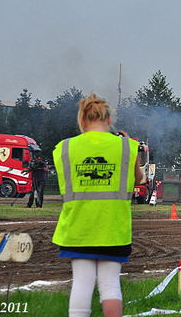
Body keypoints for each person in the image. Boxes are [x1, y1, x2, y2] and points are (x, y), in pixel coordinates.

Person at [52, 93, 143, 317]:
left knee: (81, 283)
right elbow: (138, 179)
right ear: (109, 121)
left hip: (78, 228)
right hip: (112, 228)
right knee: (110, 284)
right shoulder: (127, 147)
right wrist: (129, 147)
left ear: (82, 121)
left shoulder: (64, 148)